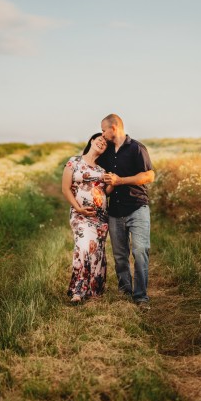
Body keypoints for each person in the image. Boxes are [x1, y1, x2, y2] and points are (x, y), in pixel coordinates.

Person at [98, 114, 155, 308]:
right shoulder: (105, 153)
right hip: (115, 210)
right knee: (120, 255)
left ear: (113, 128)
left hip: (137, 206)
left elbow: (149, 175)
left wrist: (120, 180)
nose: (102, 133)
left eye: (104, 129)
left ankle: (140, 296)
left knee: (140, 251)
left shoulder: (136, 148)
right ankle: (125, 291)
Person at [61, 133, 114, 304]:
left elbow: (105, 193)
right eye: (99, 139)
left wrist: (112, 182)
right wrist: (78, 208)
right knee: (83, 247)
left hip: (100, 217)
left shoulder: (101, 169)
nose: (102, 142)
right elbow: (65, 188)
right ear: (92, 140)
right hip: (79, 214)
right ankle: (78, 290)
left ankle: (94, 290)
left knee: (96, 251)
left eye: (105, 143)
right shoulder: (74, 161)